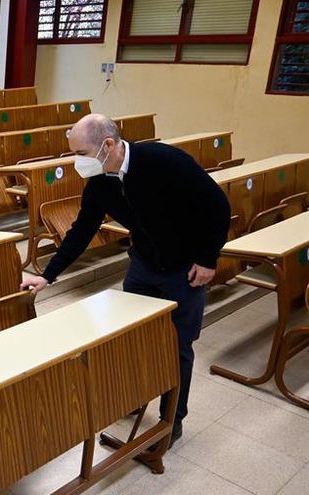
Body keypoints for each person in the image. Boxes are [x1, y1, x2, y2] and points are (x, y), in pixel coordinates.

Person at [21, 114, 231, 447]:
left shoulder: (164, 161)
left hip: (184, 270)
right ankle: (134, 397)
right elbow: (81, 231)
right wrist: (47, 274)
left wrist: (208, 259)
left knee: (177, 346)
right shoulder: (101, 182)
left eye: (82, 154)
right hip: (144, 266)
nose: (78, 162)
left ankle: (171, 419)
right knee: (130, 338)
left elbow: (218, 207)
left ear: (108, 145)